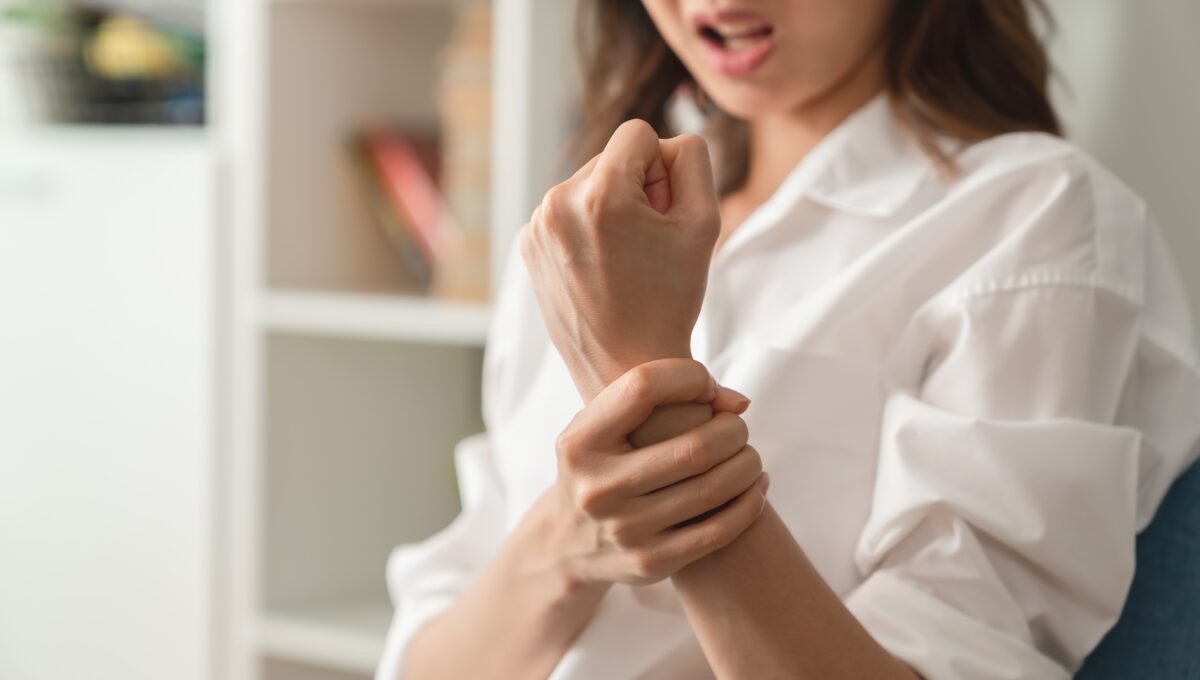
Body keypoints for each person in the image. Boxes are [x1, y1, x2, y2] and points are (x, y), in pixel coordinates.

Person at [378, 1, 1200, 678]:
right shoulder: (585, 227)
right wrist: (570, 538)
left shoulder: (1032, 220)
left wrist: (643, 380)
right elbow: (424, 662)